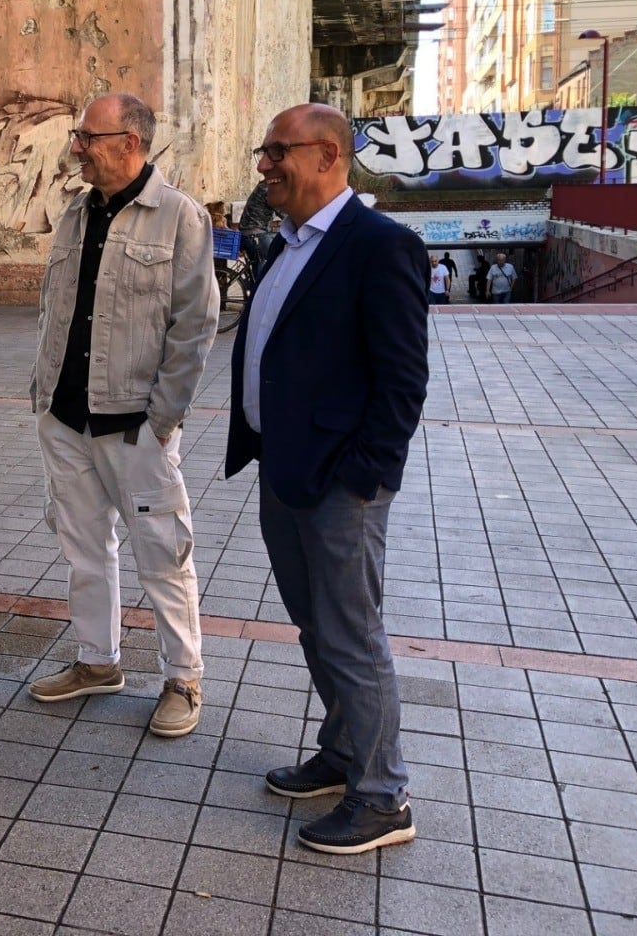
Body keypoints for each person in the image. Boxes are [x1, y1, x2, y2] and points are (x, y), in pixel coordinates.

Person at [226, 102, 429, 855]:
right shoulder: (287, 244)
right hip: (284, 470)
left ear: (328, 157)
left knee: (352, 635)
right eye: (265, 148)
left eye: (278, 151)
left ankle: (384, 797)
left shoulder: (380, 247)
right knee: (318, 627)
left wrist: (366, 476)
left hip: (339, 485)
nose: (264, 164)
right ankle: (344, 753)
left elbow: (403, 380)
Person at [27, 92, 218, 738]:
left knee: (163, 553)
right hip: (65, 415)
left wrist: (161, 419)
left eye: (88, 137)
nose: (76, 147)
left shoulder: (180, 219)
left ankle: (182, 679)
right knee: (83, 548)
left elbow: (196, 328)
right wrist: (42, 395)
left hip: (135, 422)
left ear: (129, 144)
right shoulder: (77, 215)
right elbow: (59, 307)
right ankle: (97, 661)